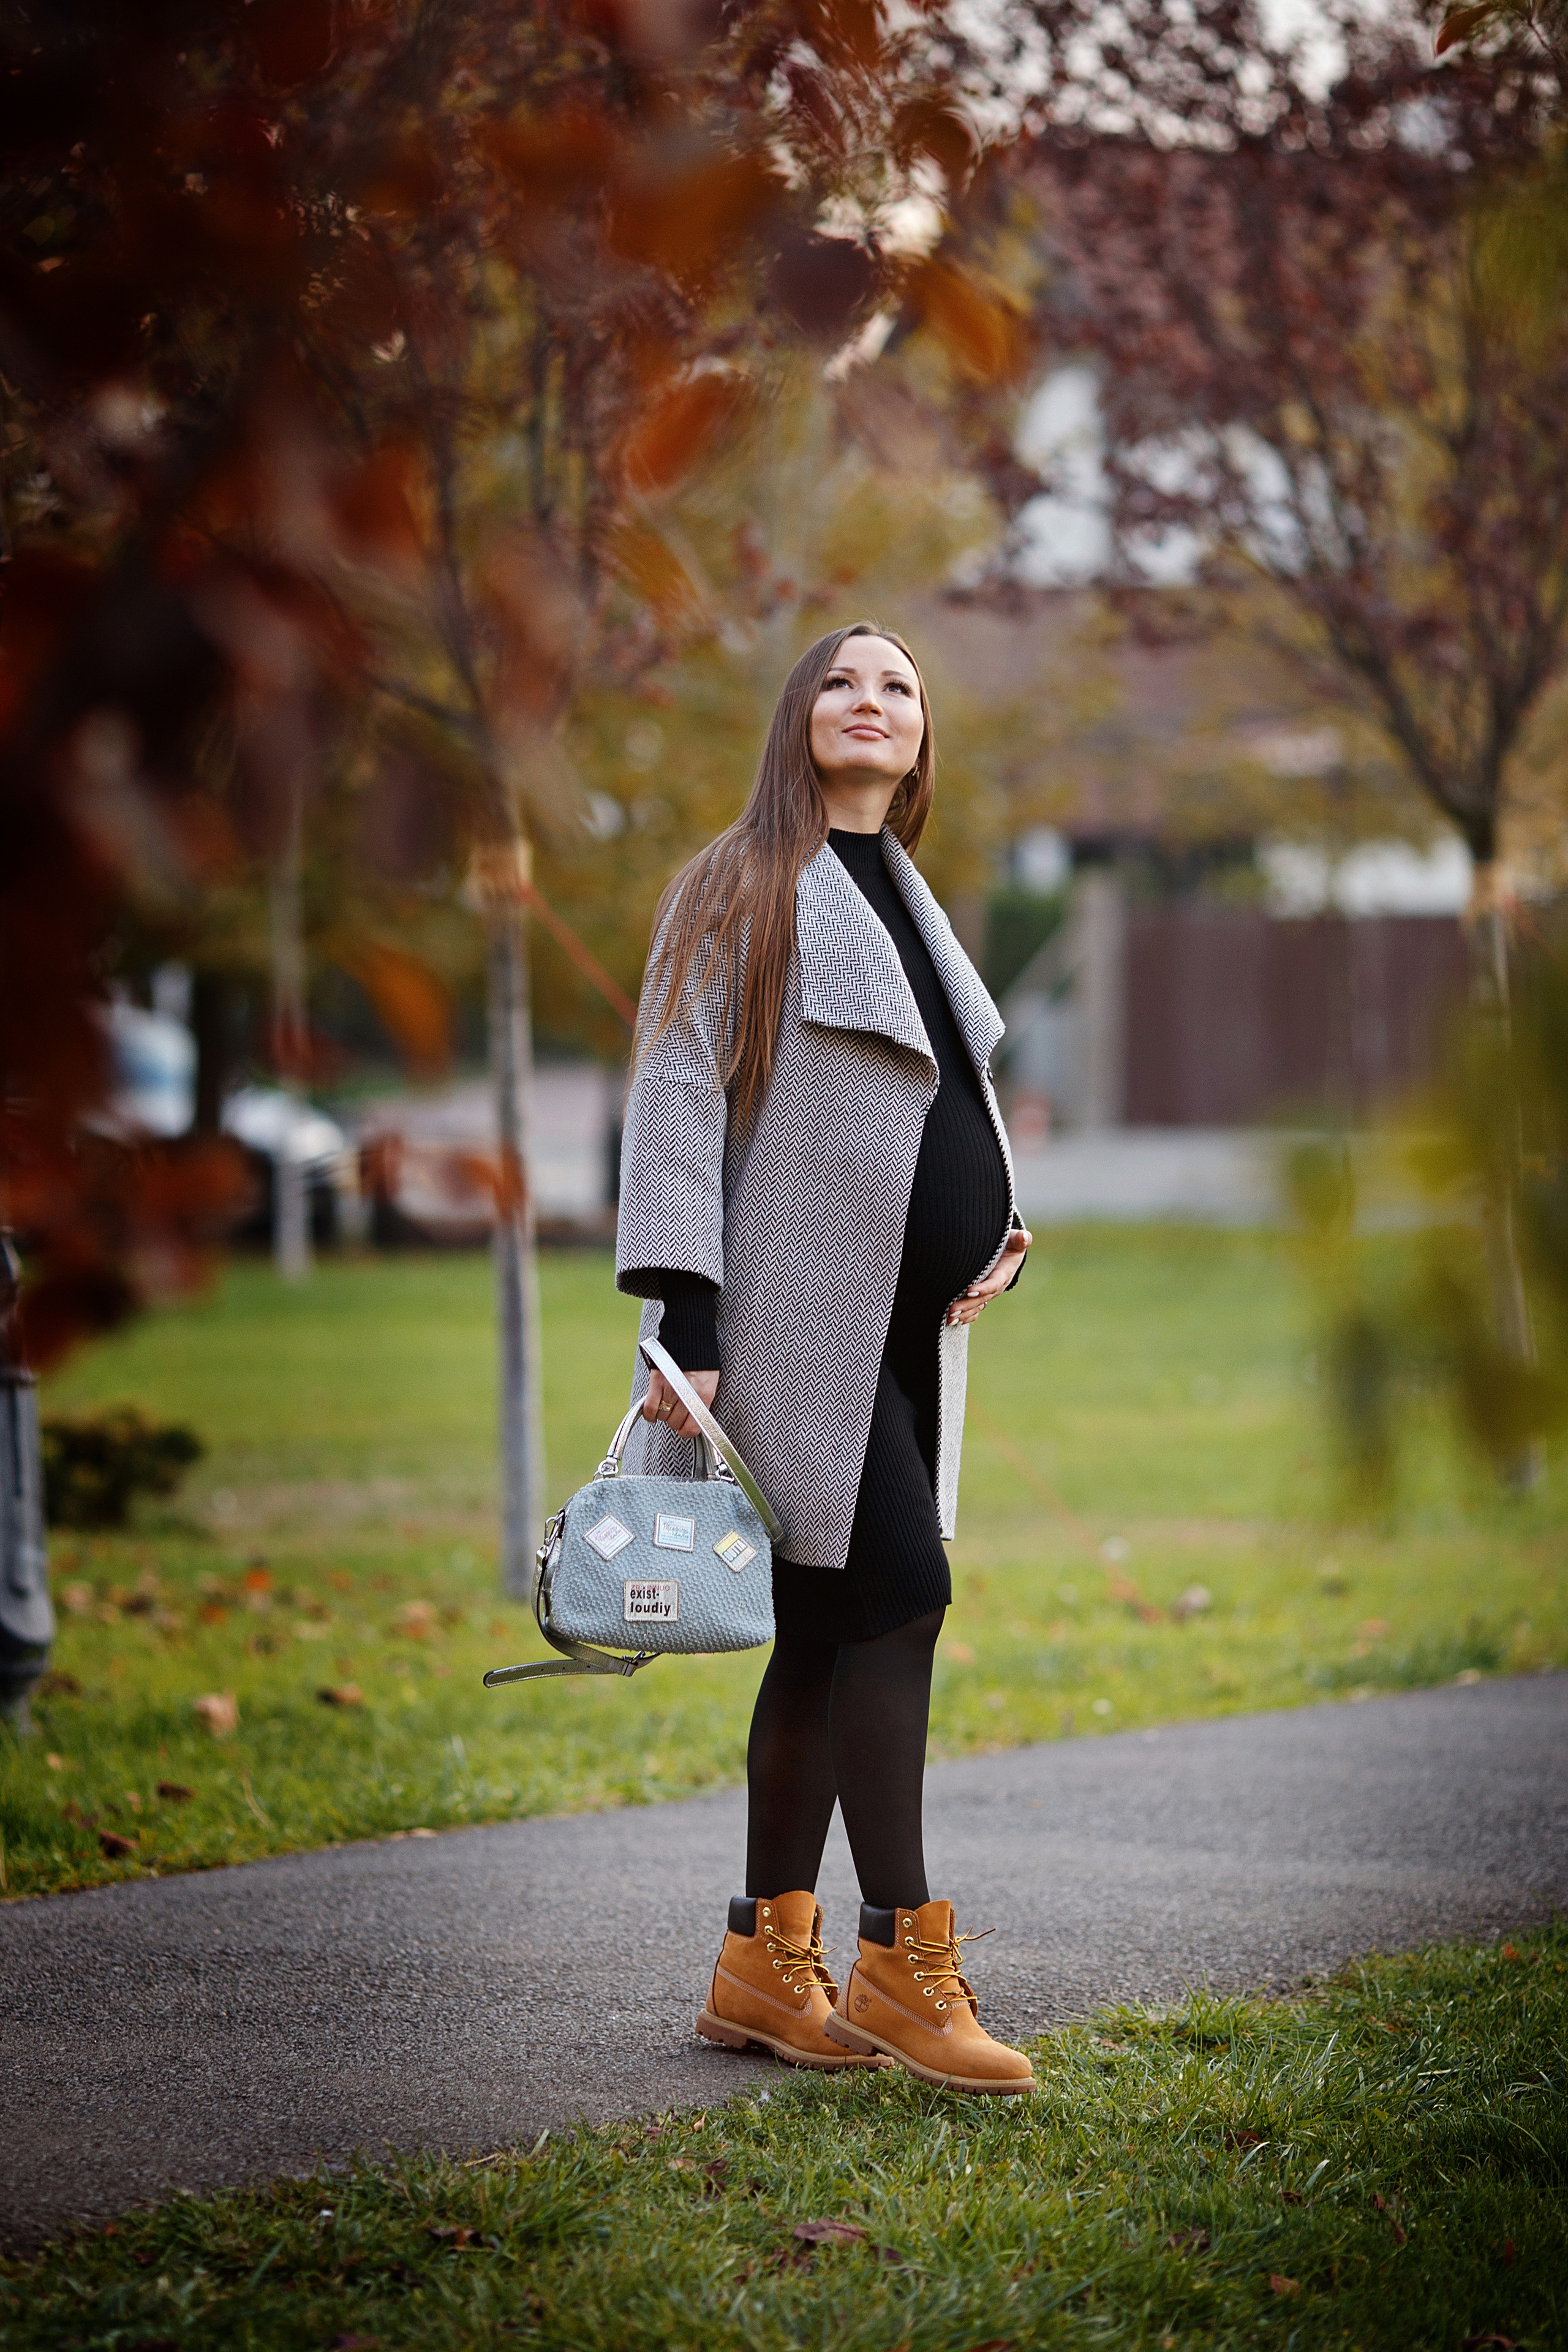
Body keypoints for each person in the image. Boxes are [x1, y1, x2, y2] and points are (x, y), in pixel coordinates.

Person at [616, 622, 1035, 2094]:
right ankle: (896, 1960)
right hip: (795, 1327)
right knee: (898, 1599)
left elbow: (941, 1088)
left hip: (905, 1331)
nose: (872, 701)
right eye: (844, 681)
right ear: (799, 718)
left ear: (921, 737)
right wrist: (682, 1312)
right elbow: (675, 1085)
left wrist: (994, 1223)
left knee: (814, 1630)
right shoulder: (737, 883)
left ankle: (756, 1964)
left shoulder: (910, 896)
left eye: (901, 685)